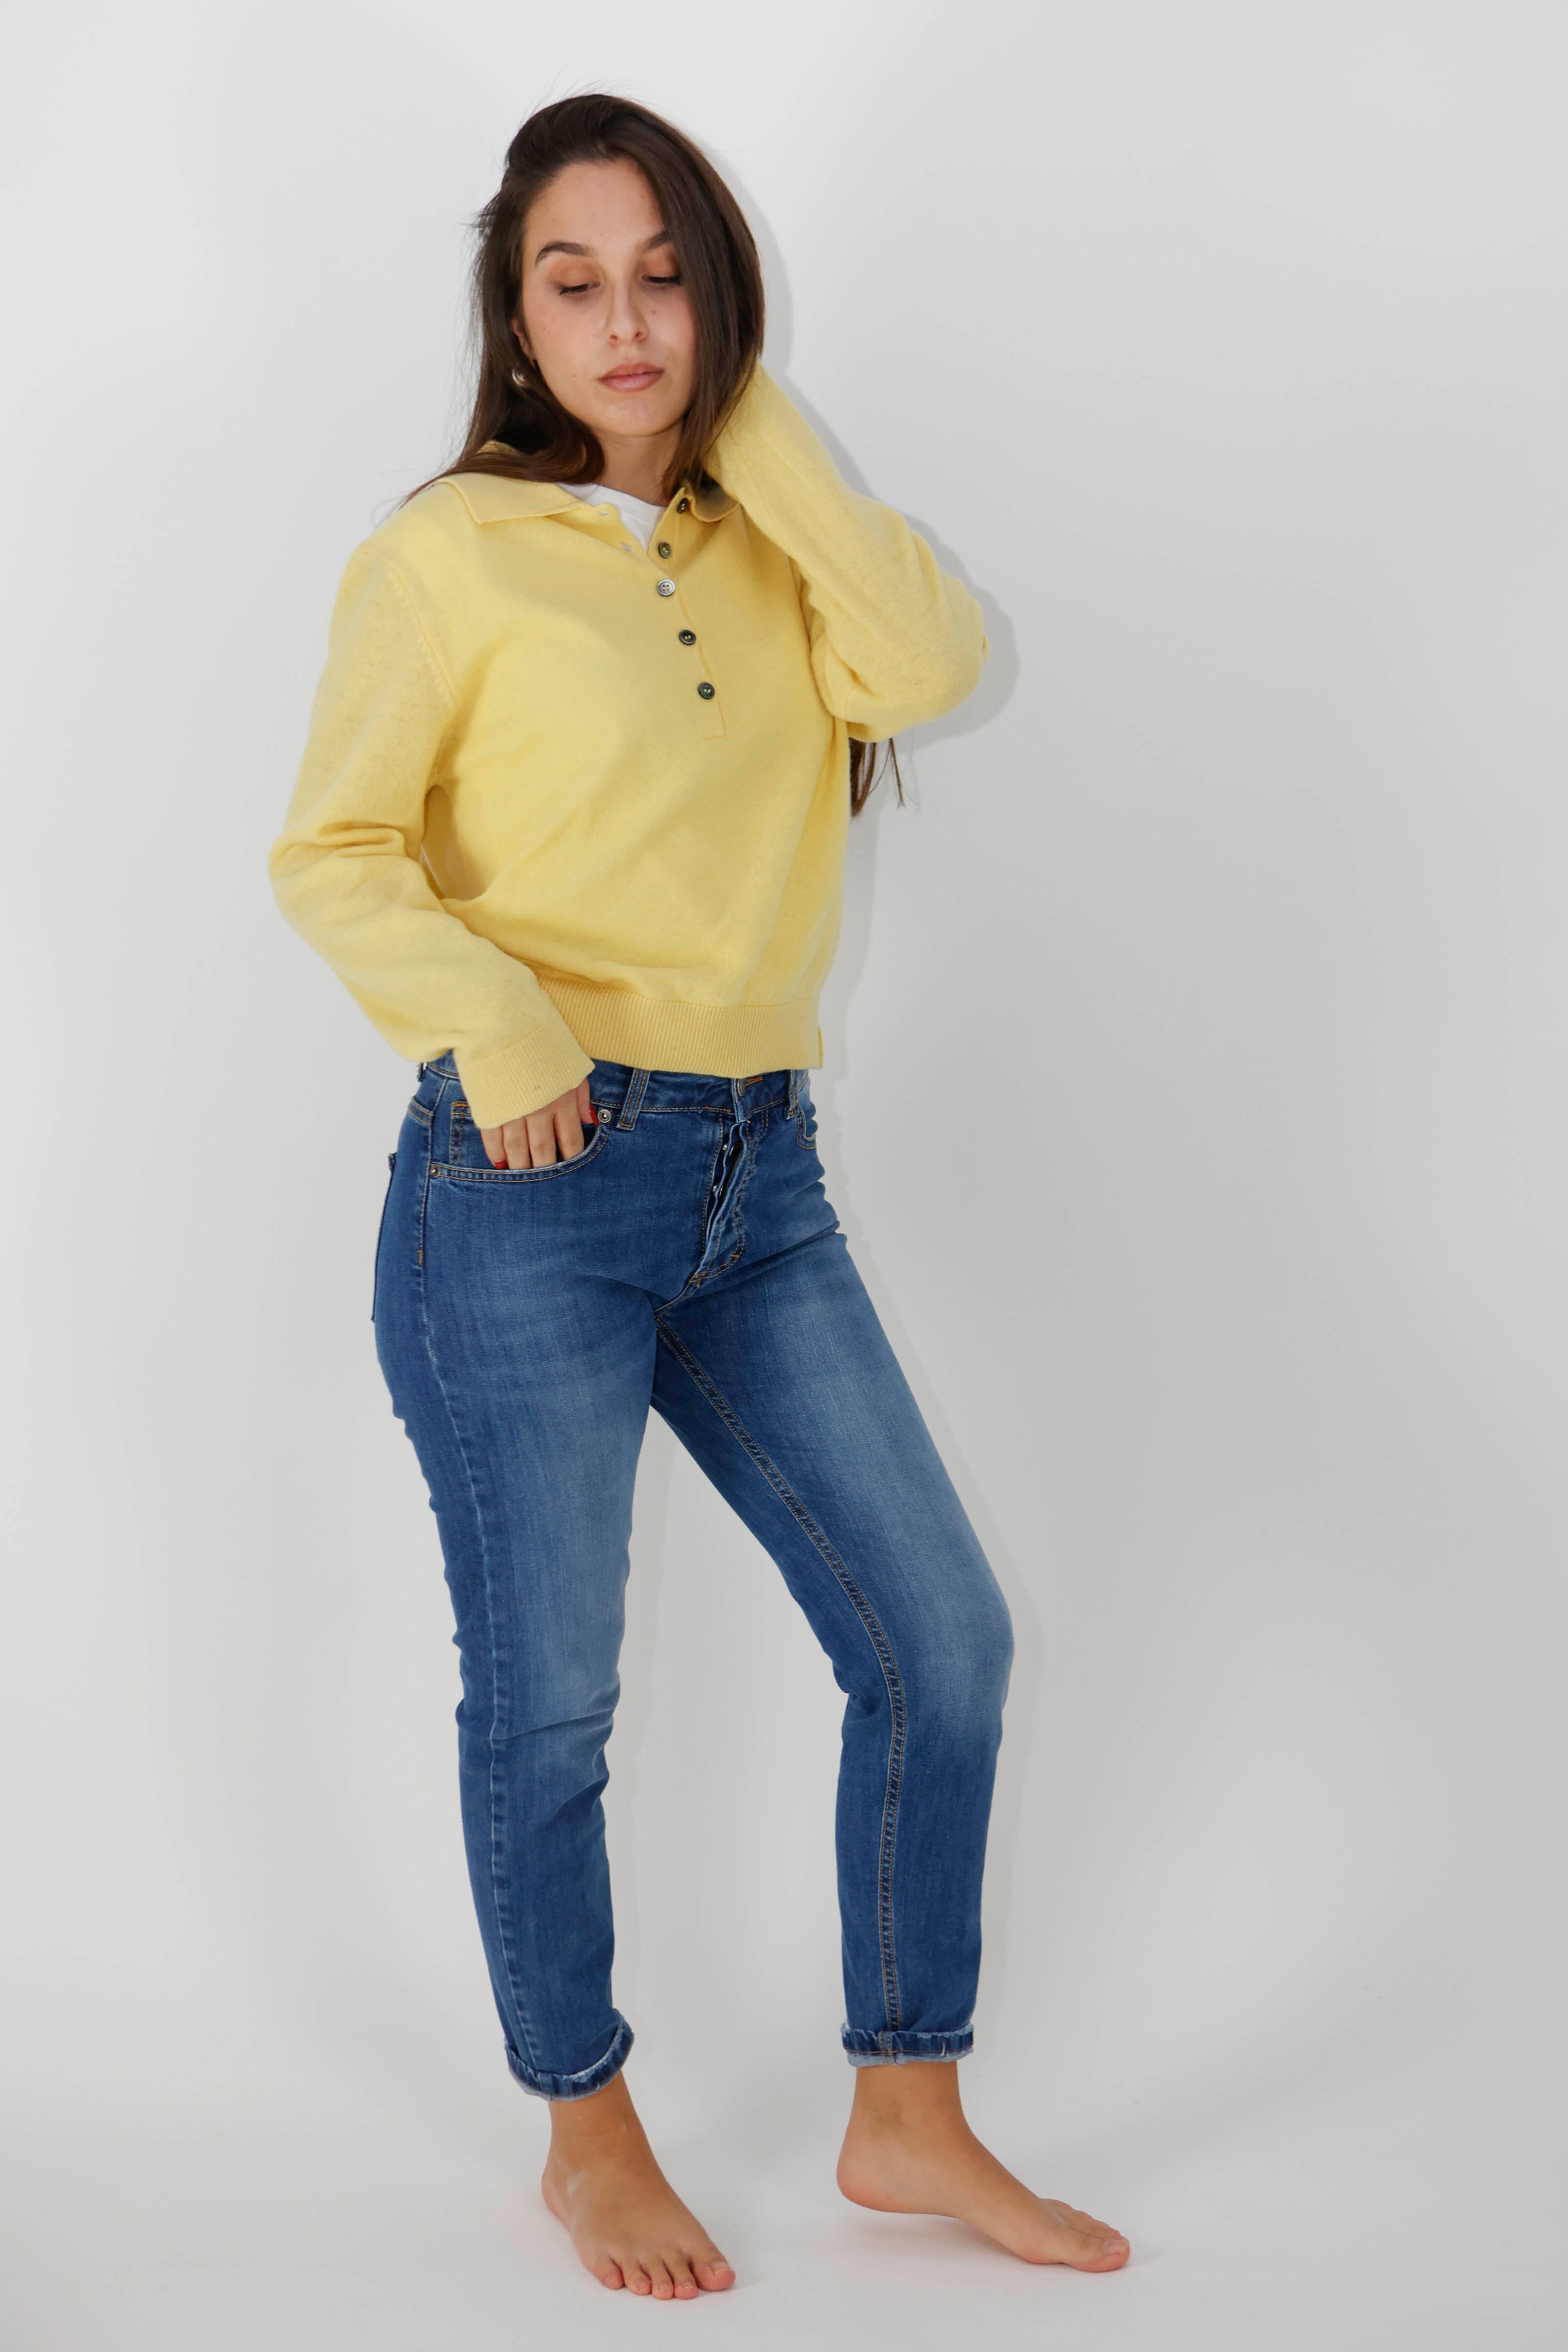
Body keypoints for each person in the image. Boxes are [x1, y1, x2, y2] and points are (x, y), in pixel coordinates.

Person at [267, 92, 1129, 2302]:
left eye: (667, 275)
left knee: (941, 1642)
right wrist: (503, 1029)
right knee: (548, 1698)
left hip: (765, 1180)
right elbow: (334, 850)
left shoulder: (776, 544)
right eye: (575, 282)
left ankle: (905, 2110)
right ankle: (585, 2125)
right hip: (524, 1186)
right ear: (516, 318)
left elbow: (930, 666)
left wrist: (755, 424)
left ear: (723, 302)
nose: (625, 320)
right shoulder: (444, 558)